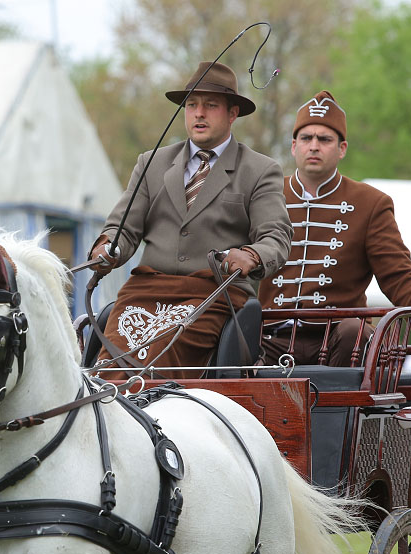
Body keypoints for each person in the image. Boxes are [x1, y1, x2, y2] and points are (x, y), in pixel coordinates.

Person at [88, 62, 292, 378]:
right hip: (144, 291)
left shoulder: (260, 170)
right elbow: (123, 228)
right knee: (108, 366)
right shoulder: (151, 162)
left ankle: (144, 420)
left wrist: (251, 256)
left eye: (210, 105)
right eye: (192, 105)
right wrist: (107, 249)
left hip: (212, 294)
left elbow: (276, 236)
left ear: (233, 113)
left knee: (155, 358)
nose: (198, 113)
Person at [259, 91, 411, 367]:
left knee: (355, 330)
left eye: (325, 139)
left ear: (342, 149)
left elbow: (399, 277)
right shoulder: (264, 194)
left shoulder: (370, 203)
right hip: (269, 336)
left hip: (339, 340)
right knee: (233, 335)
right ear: (293, 146)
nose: (314, 146)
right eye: (306, 138)